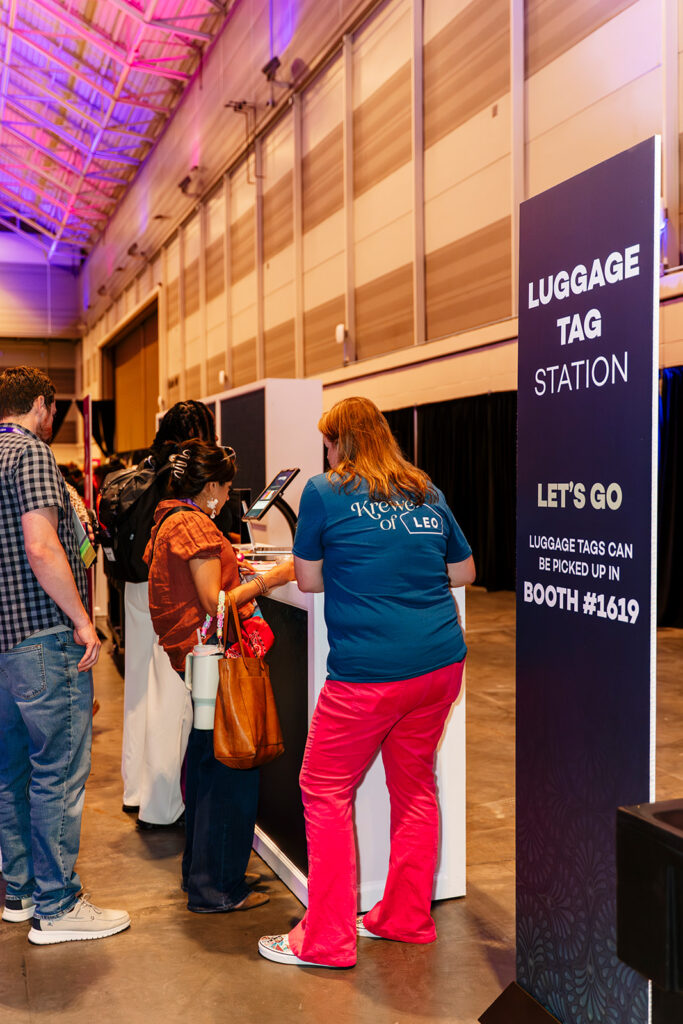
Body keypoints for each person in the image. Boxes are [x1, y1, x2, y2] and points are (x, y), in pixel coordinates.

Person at [258, 396, 476, 968]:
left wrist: (355, 563)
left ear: (335, 442)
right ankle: (405, 918)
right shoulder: (423, 490)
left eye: (326, 442)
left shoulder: (324, 492)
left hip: (369, 676)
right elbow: (464, 570)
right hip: (439, 666)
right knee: (415, 786)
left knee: (323, 789)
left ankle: (327, 939)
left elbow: (307, 579)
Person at [0, 366, 130, 945]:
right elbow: (41, 544)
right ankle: (58, 906)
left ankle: (20, 891)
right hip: (43, 638)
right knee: (59, 773)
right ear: (40, 406)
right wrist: (83, 621)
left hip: (5, 646)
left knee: (10, 772)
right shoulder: (31, 455)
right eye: (54, 411)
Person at [144, 439, 295, 912]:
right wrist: (276, 576)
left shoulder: (173, 518)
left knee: (208, 765)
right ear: (209, 486)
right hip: (215, 662)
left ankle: (202, 877)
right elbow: (218, 603)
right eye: (226, 487)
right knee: (229, 771)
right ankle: (218, 889)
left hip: (196, 662)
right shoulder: (193, 527)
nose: (229, 497)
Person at [118, 400, 217, 829]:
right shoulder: (186, 464)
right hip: (169, 586)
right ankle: (160, 800)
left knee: (139, 688)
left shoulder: (147, 461)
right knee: (169, 695)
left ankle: (134, 789)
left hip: (135, 582)